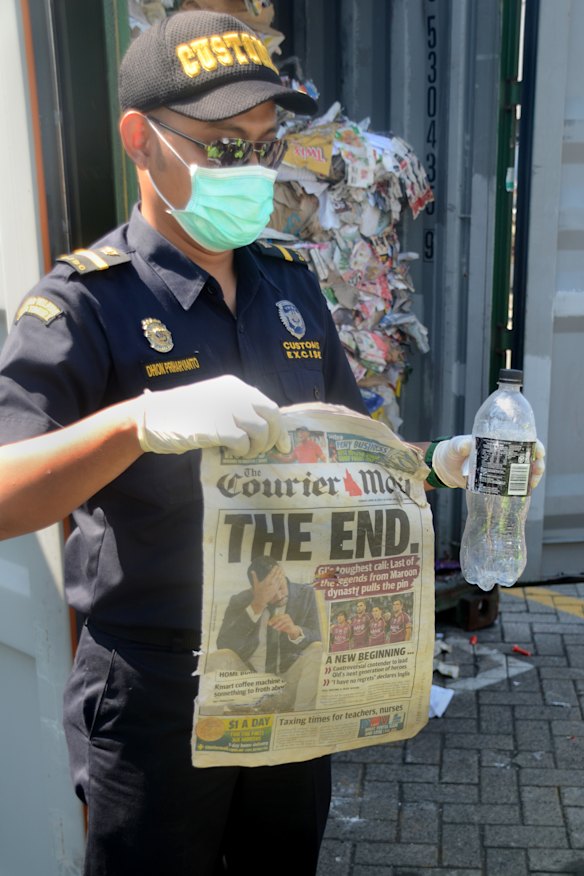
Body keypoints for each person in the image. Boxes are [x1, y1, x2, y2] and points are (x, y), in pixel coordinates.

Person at [0, 9, 544, 876]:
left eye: (264, 145)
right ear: (141, 140)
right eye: (223, 147)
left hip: (288, 662)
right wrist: (136, 424)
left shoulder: (288, 283)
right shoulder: (83, 304)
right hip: (157, 692)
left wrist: (442, 464)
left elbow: (349, 451)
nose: (252, 171)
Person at [207, 556, 322, 711]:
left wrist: (295, 631)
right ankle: (211, 723)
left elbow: (321, 638)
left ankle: (302, 718)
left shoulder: (306, 594)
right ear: (255, 590)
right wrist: (257, 605)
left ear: (283, 574)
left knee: (318, 649)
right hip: (251, 685)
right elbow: (224, 644)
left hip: (289, 683)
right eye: (271, 592)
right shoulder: (240, 601)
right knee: (219, 656)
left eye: (281, 587)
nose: (280, 596)